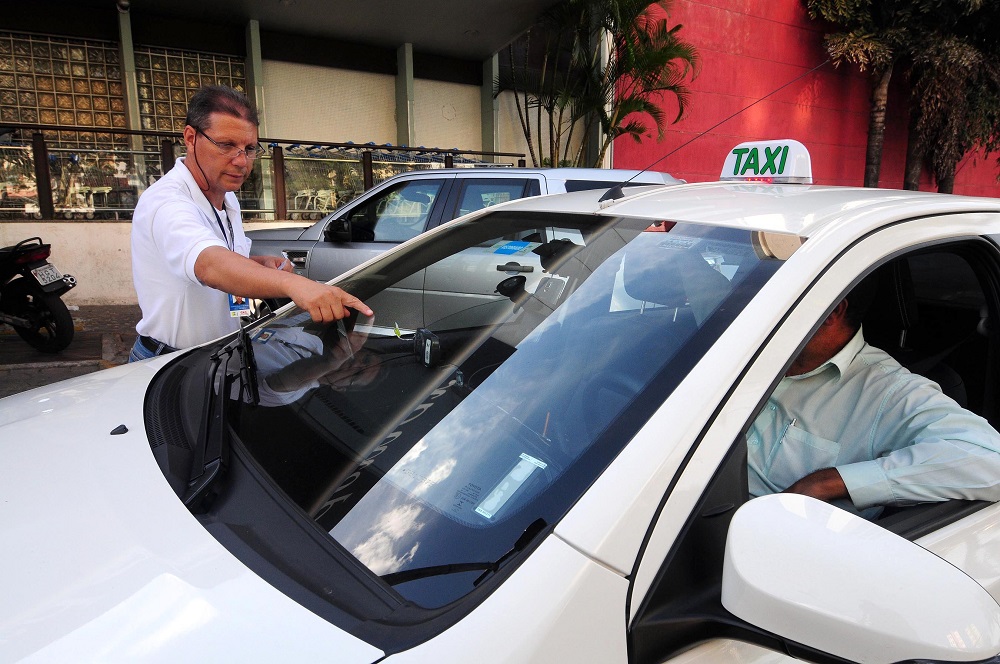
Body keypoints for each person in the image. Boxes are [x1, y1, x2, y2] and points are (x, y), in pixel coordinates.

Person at [129, 85, 371, 362]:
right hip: (170, 363)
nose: (241, 161)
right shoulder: (167, 202)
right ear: (191, 138)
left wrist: (256, 264)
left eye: (249, 148)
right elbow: (210, 265)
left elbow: (218, 259)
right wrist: (295, 285)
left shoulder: (227, 197)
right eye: (226, 145)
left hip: (219, 357)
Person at [748, 282, 1000, 518]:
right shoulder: (743, 352)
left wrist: (826, 483)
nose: (757, 308)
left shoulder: (889, 392)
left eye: (775, 298)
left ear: (832, 311)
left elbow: (989, 460)